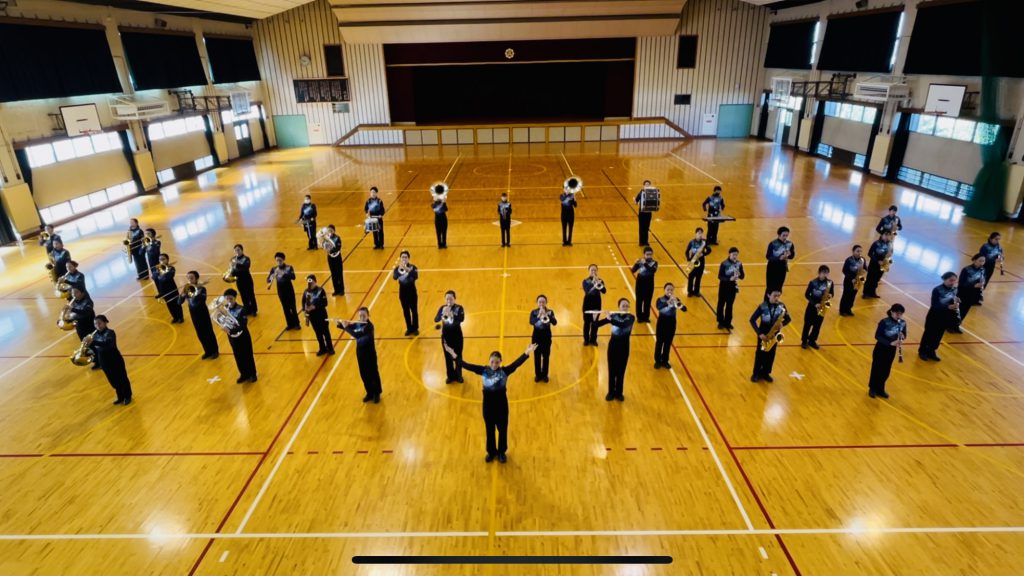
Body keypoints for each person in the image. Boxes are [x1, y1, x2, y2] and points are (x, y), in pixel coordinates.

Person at [444, 342, 537, 463]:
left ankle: (502, 452)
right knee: (489, 430)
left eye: (497, 362)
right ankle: (491, 452)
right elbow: (466, 365)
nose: (494, 364)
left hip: (502, 407)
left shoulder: (505, 371)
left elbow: (516, 364)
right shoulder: (483, 370)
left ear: (500, 362)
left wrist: (527, 352)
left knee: (502, 430)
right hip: (488, 408)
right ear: (489, 361)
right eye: (492, 361)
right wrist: (452, 353)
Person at [338, 308, 382, 403]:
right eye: (360, 315)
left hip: (370, 354)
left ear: (368, 316)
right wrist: (341, 323)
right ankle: (369, 392)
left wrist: (346, 327)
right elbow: (350, 327)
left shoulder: (369, 327)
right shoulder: (357, 323)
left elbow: (356, 335)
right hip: (360, 354)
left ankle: (376, 393)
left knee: (373, 374)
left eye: (364, 315)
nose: (362, 317)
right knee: (364, 374)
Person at [596, 298, 636, 401]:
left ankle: (619, 393)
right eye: (623, 306)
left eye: (627, 306)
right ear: (619, 307)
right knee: (612, 370)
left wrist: (611, 319)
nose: (625, 308)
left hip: (624, 347)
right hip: (613, 347)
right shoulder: (613, 316)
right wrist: (595, 318)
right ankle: (610, 392)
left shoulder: (631, 317)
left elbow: (622, 324)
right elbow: (597, 324)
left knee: (621, 371)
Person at [88, 315, 133, 405]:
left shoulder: (110, 333)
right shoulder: (94, 335)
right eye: (95, 324)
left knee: (122, 378)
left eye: (99, 323)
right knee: (113, 381)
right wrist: (87, 347)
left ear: (105, 323)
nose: (97, 326)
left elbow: (108, 344)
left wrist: (93, 342)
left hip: (115, 360)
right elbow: (94, 349)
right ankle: (120, 396)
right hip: (104, 362)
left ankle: (128, 396)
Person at [750, 290, 791, 383]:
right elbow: (752, 320)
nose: (777, 298)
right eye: (774, 296)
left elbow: (788, 319)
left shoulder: (782, 306)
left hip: (774, 334)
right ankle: (755, 373)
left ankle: (766, 373)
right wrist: (759, 333)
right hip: (763, 333)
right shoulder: (762, 306)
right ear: (768, 295)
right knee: (760, 354)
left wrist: (782, 324)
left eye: (778, 296)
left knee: (771, 354)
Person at [868, 304, 906, 399]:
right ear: (892, 312)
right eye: (897, 313)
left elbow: (904, 334)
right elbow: (877, 336)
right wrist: (890, 343)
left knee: (886, 369)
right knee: (877, 368)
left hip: (891, 350)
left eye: (901, 314)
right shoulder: (884, 322)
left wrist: (902, 337)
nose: (899, 316)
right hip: (881, 348)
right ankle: (872, 388)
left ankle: (881, 388)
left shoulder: (903, 323)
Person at [918, 272, 958, 362]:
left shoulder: (955, 290)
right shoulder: (937, 290)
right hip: (934, 316)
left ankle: (932, 351)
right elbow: (935, 304)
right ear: (945, 279)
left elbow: (953, 301)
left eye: (954, 281)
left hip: (945, 317)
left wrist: (956, 304)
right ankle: (922, 351)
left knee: (938, 335)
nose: (952, 282)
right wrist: (948, 307)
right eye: (950, 280)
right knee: (928, 334)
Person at [219, 289, 257, 383]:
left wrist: (231, 330)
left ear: (235, 298)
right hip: (232, 337)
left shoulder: (242, 309)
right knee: (238, 355)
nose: (229, 301)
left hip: (243, 336)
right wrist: (223, 325)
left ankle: (252, 374)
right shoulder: (225, 309)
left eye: (231, 298)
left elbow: (243, 325)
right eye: (227, 299)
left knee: (247, 355)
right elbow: (222, 320)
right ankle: (243, 374)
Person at [178, 271, 218, 360]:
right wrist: (182, 295)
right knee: (200, 333)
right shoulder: (187, 289)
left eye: (191, 278)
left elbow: (202, 300)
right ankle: (207, 351)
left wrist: (195, 289)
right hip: (194, 314)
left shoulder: (202, 289)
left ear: (196, 278)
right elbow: (179, 302)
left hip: (203, 313)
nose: (189, 280)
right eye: (188, 278)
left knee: (208, 332)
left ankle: (215, 351)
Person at [435, 290, 465, 383]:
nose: (449, 300)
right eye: (447, 298)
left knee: (458, 356)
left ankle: (459, 375)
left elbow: (461, 320)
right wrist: (442, 314)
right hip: (446, 338)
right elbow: (436, 319)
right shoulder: (442, 308)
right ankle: (450, 376)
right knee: (448, 358)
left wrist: (451, 316)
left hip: (457, 337)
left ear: (454, 299)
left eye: (451, 298)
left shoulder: (459, 308)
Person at [800, 265, 834, 349]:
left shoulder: (830, 283)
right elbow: (807, 295)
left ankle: (812, 340)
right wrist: (815, 304)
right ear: (819, 273)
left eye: (826, 273)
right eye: (823, 273)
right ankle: (804, 341)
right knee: (807, 324)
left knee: (817, 325)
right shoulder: (813, 282)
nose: (825, 275)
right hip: (812, 306)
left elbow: (832, 293)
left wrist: (830, 295)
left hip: (822, 306)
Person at [654, 283, 685, 369]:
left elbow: (684, 309)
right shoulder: (660, 299)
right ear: (665, 290)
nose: (670, 291)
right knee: (660, 342)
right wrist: (668, 302)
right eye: (668, 289)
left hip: (671, 323)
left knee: (668, 343)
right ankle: (657, 361)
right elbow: (658, 307)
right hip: (662, 323)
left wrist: (677, 303)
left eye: (671, 289)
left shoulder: (676, 299)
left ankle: (665, 361)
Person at [302, 275, 335, 356]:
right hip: (312, 316)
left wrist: (315, 307)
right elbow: (303, 302)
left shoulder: (320, 291)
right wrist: (305, 309)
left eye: (311, 281)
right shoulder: (306, 292)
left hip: (321, 315)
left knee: (325, 332)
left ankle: (330, 348)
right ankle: (322, 348)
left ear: (314, 281)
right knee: (318, 333)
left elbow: (325, 303)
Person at [267, 253, 301, 330]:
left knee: (292, 307)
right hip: (281, 291)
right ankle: (290, 324)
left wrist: (283, 274)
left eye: (280, 260)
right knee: (285, 308)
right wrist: (270, 279)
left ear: (283, 260)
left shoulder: (289, 267)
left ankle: (297, 323)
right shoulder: (274, 269)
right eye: (277, 260)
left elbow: (293, 277)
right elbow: (268, 279)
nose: (279, 262)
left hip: (289, 289)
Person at [529, 295, 557, 382]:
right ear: (537, 303)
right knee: (537, 357)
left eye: (543, 302)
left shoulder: (550, 312)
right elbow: (531, 322)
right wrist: (538, 316)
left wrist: (547, 315)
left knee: (546, 357)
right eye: (540, 302)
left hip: (546, 338)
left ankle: (545, 375)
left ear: (546, 303)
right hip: (536, 338)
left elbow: (555, 322)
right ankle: (538, 375)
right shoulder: (533, 312)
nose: (541, 303)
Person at [716, 247, 744, 330]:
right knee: (721, 304)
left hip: (732, 287)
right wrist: (729, 279)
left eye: (736, 255)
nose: (735, 256)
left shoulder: (739, 264)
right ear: (729, 254)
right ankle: (720, 321)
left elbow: (742, 276)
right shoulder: (724, 264)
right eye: (733, 254)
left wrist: (740, 274)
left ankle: (728, 322)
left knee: (729, 305)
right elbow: (720, 276)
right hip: (724, 286)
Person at [393, 251, 419, 336]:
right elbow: (395, 277)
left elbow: (415, 276)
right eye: (402, 257)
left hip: (412, 292)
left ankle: (415, 328)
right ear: (400, 258)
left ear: (408, 258)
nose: (404, 259)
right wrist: (400, 269)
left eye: (405, 257)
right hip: (403, 293)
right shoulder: (397, 268)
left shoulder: (413, 267)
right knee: (406, 311)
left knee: (414, 311)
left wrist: (407, 270)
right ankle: (409, 328)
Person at [153, 254, 185, 323]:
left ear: (167, 260)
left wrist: (163, 272)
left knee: (176, 303)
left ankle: (180, 317)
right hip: (163, 290)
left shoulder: (171, 268)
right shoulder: (157, 269)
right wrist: (157, 271)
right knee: (169, 304)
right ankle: (175, 317)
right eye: (160, 259)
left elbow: (168, 277)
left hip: (172, 289)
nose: (162, 261)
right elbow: (154, 277)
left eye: (163, 259)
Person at [956, 254, 986, 327]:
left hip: (973, 293)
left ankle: (957, 325)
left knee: (965, 310)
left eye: (983, 261)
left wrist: (982, 283)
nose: (982, 263)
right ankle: (950, 325)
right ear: (974, 260)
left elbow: (983, 279)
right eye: (980, 261)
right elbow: (961, 282)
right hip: (963, 293)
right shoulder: (966, 270)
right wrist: (973, 285)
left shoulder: (983, 270)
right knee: (958, 310)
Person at [862, 231, 893, 299]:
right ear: (882, 235)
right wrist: (877, 261)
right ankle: (865, 293)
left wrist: (888, 258)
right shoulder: (876, 243)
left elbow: (891, 252)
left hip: (883, 265)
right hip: (874, 264)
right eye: (885, 235)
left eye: (888, 235)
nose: (887, 237)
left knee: (876, 279)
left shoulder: (890, 244)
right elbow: (870, 253)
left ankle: (872, 292)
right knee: (870, 279)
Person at [764, 227, 794, 296]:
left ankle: (775, 303)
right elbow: (768, 256)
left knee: (779, 288)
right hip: (772, 268)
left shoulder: (789, 244)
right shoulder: (773, 244)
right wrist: (779, 258)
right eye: (783, 235)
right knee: (770, 288)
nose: (785, 237)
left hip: (782, 268)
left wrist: (789, 255)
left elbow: (792, 255)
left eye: (787, 235)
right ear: (779, 235)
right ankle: (767, 303)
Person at [631, 247, 658, 323]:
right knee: (639, 301)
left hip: (649, 283)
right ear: (644, 254)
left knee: (647, 301)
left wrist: (644, 263)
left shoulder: (654, 263)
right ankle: (639, 317)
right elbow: (633, 271)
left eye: (650, 254)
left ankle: (646, 317)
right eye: (647, 254)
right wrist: (636, 264)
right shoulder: (640, 261)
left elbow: (652, 270)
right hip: (640, 282)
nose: (649, 256)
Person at [582, 264, 606, 346]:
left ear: (597, 271)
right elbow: (587, 291)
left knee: (595, 322)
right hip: (587, 304)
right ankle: (586, 339)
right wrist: (593, 284)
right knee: (587, 323)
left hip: (596, 303)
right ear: (589, 271)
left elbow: (604, 291)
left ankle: (593, 339)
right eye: (592, 270)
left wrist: (599, 283)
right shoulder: (585, 281)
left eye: (595, 270)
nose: (593, 272)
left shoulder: (600, 280)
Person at [230, 244, 258, 315]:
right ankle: (247, 309)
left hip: (247, 279)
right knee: (243, 296)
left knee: (251, 295)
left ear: (242, 250)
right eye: (235, 250)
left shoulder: (246, 258)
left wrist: (237, 264)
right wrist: (231, 273)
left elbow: (246, 267)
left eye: (238, 250)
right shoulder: (233, 259)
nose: (237, 251)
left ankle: (254, 310)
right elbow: (232, 270)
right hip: (239, 281)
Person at [838, 245, 866, 316]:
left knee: (852, 296)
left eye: (860, 251)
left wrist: (864, 272)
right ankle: (842, 310)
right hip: (848, 281)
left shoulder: (862, 260)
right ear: (853, 251)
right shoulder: (849, 260)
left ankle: (848, 309)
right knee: (846, 295)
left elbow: (865, 268)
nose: (859, 253)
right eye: (857, 251)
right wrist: (851, 279)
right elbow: (844, 271)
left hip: (857, 281)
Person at [684, 228, 710, 296]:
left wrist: (703, 254)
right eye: (698, 233)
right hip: (693, 260)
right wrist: (688, 259)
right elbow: (686, 252)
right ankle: (690, 291)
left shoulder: (704, 242)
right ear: (695, 234)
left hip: (701, 261)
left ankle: (696, 291)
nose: (700, 234)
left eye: (701, 233)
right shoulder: (691, 242)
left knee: (698, 277)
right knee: (691, 277)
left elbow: (709, 250)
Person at [978, 232, 1004, 300]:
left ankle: (979, 294)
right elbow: (982, 259)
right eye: (996, 239)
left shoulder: (998, 247)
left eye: (998, 239)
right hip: (982, 267)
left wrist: (1001, 258)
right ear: (991, 239)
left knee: (986, 281)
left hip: (991, 267)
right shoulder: (985, 247)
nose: (997, 241)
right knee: (979, 281)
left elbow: (1000, 255)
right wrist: (994, 260)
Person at [323, 225, 346, 296]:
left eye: (331, 230)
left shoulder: (337, 238)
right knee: (333, 274)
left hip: (337, 257)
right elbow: (324, 246)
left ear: (334, 230)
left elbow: (338, 247)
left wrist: (331, 250)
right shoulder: (326, 238)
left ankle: (341, 290)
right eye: (328, 230)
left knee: (339, 273)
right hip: (330, 258)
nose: (329, 231)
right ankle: (336, 290)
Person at [635, 179, 654, 246]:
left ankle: (646, 241)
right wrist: (637, 202)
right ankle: (641, 242)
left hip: (648, 213)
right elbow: (636, 200)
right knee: (641, 227)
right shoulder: (641, 192)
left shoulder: (652, 193)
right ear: (644, 186)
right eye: (646, 185)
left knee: (647, 227)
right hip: (642, 213)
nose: (647, 186)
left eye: (648, 185)